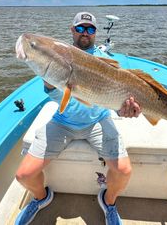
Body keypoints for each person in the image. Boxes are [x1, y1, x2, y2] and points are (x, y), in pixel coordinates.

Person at [15, 12, 141, 225]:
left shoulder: (107, 60)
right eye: (80, 28)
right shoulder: (60, 56)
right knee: (23, 175)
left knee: (124, 171)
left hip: (98, 121)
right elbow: (57, 95)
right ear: (72, 30)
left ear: (95, 33)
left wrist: (125, 110)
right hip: (63, 122)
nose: (85, 33)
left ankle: (108, 202)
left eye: (90, 29)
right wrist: (48, 81)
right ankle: (41, 198)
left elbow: (116, 101)